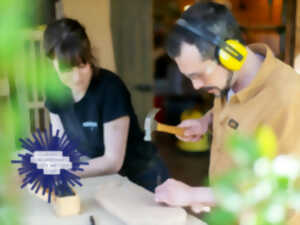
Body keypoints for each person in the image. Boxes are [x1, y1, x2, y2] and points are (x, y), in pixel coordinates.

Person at [154, 2, 300, 223]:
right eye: (189, 76)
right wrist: (206, 121)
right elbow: (239, 112)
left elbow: (281, 189)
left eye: (199, 75)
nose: (195, 86)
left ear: (231, 54)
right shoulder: (228, 80)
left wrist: (194, 194)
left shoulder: (288, 98)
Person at [43, 18, 168, 192]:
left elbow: (112, 162)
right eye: (65, 69)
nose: (77, 77)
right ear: (51, 63)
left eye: (82, 65)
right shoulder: (54, 92)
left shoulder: (110, 88)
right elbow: (61, 146)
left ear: (89, 56)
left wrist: (65, 171)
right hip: (100, 177)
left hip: (141, 175)